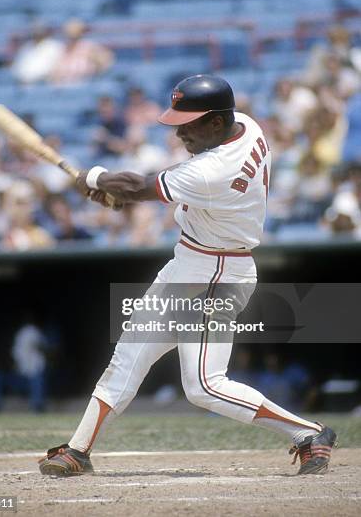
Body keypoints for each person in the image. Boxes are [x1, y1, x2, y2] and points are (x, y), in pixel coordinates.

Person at [38, 74, 336, 477]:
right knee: (127, 358)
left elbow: (142, 185)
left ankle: (309, 433)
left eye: (189, 123)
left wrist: (94, 179)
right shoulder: (245, 124)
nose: (179, 132)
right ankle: (78, 451)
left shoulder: (215, 169)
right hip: (190, 262)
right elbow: (152, 187)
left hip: (218, 274)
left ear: (216, 122)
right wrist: (117, 191)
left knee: (204, 386)